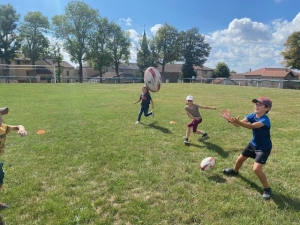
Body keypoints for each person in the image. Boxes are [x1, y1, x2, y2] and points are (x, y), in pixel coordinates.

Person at [220, 97, 273, 200]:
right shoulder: (252, 115)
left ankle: (267, 189)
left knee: (256, 169)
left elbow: (251, 126)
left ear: (267, 108)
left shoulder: (265, 120)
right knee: (240, 159)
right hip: (253, 144)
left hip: (263, 148)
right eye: (256, 104)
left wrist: (238, 122)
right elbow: (238, 125)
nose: (256, 106)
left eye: (259, 104)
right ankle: (234, 171)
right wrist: (230, 120)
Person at [0, 107, 27, 209]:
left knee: (0, 179)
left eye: (1, 116)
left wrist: (21, 128)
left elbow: (18, 126)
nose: (1, 119)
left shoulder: (3, 128)